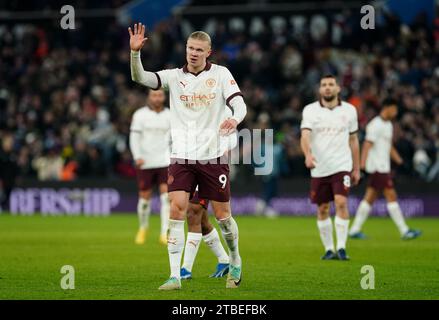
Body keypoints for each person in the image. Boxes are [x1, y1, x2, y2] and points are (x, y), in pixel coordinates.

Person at [129, 23, 247, 290]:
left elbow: (239, 103)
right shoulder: (173, 76)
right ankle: (174, 275)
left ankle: (235, 259)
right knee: (176, 209)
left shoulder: (220, 74)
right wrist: (135, 54)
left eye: (199, 50)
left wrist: (234, 119)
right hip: (181, 156)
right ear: (185, 49)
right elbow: (142, 78)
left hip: (213, 156)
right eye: (190, 48)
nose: (193, 53)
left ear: (209, 52)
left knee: (223, 216)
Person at [300, 74, 360, 261]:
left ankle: (341, 248)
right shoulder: (310, 110)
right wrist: (308, 154)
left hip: (342, 165)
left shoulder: (350, 110)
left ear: (338, 88)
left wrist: (357, 168)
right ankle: (329, 249)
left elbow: (354, 140)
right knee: (323, 208)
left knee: (341, 202)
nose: (327, 87)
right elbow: (305, 136)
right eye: (324, 84)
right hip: (319, 167)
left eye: (331, 84)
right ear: (319, 89)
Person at [349, 99, 422, 240]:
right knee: (391, 195)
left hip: (383, 167)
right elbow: (366, 146)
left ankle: (354, 230)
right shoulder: (375, 125)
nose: (395, 113)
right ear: (387, 108)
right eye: (394, 109)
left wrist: (400, 162)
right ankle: (404, 231)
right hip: (377, 167)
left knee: (369, 198)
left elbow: (388, 146)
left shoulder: (388, 124)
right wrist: (362, 167)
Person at [180, 109, 238, 280]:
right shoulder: (188, 103)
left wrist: (220, 147)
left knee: (194, 212)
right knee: (202, 220)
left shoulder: (223, 108)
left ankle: (185, 269)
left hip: (211, 164)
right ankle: (224, 259)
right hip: (189, 162)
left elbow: (232, 137)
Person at [129, 88, 171, 245]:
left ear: (164, 97)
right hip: (146, 161)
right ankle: (143, 227)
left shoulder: (170, 115)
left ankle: (164, 232)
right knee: (145, 200)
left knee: (166, 198)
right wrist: (137, 156)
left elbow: (175, 139)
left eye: (160, 95)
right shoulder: (140, 115)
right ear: (149, 97)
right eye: (154, 95)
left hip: (165, 161)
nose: (157, 98)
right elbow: (134, 138)